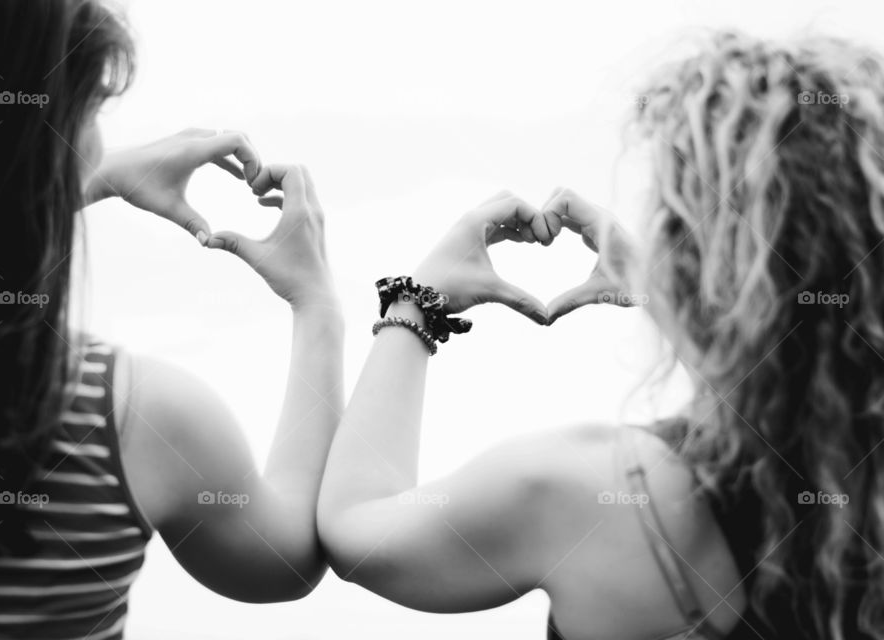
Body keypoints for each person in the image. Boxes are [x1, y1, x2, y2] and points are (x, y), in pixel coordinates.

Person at [318, 31, 884, 639]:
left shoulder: (589, 492)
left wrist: (416, 301)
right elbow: (789, 395)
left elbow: (354, 526)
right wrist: (674, 296)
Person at [0, 1, 342, 638]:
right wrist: (317, 306)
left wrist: (70, 174)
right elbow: (285, 560)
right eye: (89, 113)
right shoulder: (135, 418)